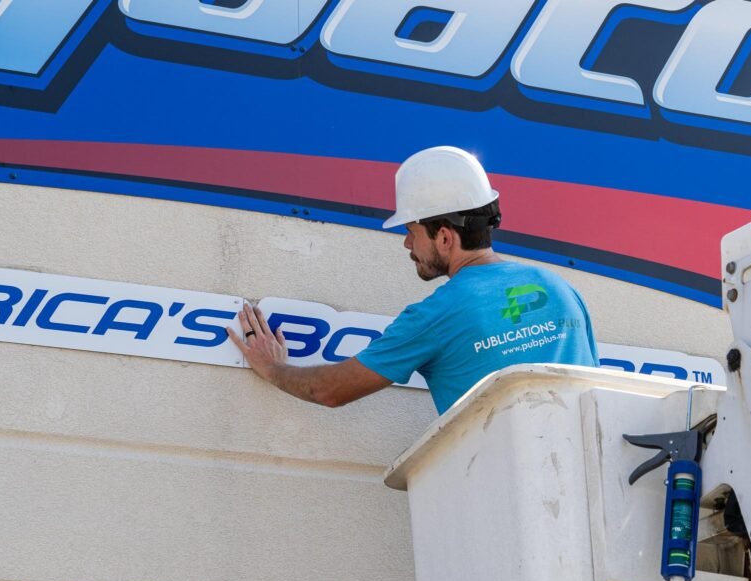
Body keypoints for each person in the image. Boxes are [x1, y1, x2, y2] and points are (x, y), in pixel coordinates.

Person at [227, 146, 598, 414]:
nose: (407, 243)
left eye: (412, 231)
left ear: (444, 237)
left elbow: (331, 391)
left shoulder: (436, 314)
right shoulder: (558, 288)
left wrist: (273, 368)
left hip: (501, 493)